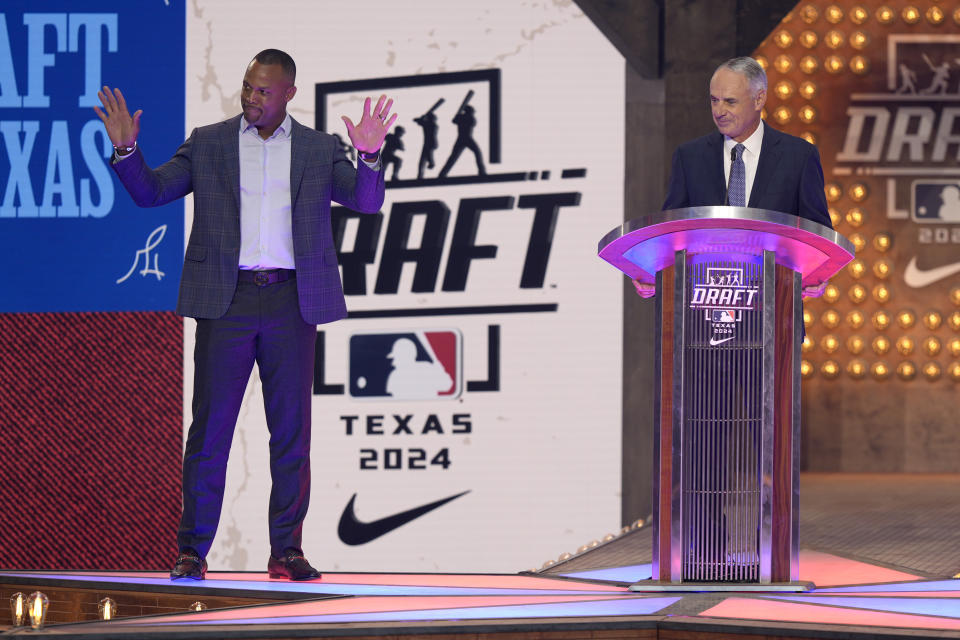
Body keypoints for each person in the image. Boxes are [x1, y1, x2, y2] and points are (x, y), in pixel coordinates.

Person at [94, 49, 396, 582]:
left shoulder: (319, 148)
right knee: (210, 432)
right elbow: (152, 192)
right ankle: (192, 550)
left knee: (291, 434)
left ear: (289, 95)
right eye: (247, 86)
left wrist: (369, 157)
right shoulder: (209, 141)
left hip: (290, 302)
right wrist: (126, 150)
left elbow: (366, 203)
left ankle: (287, 551)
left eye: (263, 91)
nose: (251, 97)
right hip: (225, 300)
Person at [634, 56, 832, 299]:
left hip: (776, 309)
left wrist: (816, 275)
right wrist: (656, 274)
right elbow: (673, 232)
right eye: (714, 101)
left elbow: (818, 233)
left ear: (759, 99)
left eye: (730, 102)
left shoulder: (799, 156)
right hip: (703, 313)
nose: (719, 111)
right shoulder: (690, 157)